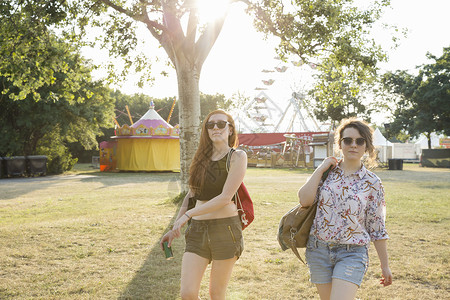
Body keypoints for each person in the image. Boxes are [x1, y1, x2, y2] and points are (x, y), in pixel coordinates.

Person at [298, 118, 392, 300]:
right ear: (340, 144)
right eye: (347, 140)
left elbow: (377, 228)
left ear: (367, 146)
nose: (353, 145)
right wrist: (321, 169)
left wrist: (385, 265)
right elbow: (304, 200)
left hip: (352, 252)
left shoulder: (372, 183)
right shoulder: (327, 173)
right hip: (318, 250)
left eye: (360, 141)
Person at [160, 109, 247, 300]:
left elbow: (225, 197)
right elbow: (191, 196)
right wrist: (175, 224)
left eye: (221, 124)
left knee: (216, 295)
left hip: (226, 230)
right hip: (198, 230)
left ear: (230, 129)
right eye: (210, 124)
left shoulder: (237, 157)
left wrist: (188, 215)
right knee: (188, 294)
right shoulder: (200, 159)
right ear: (206, 130)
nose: (215, 127)